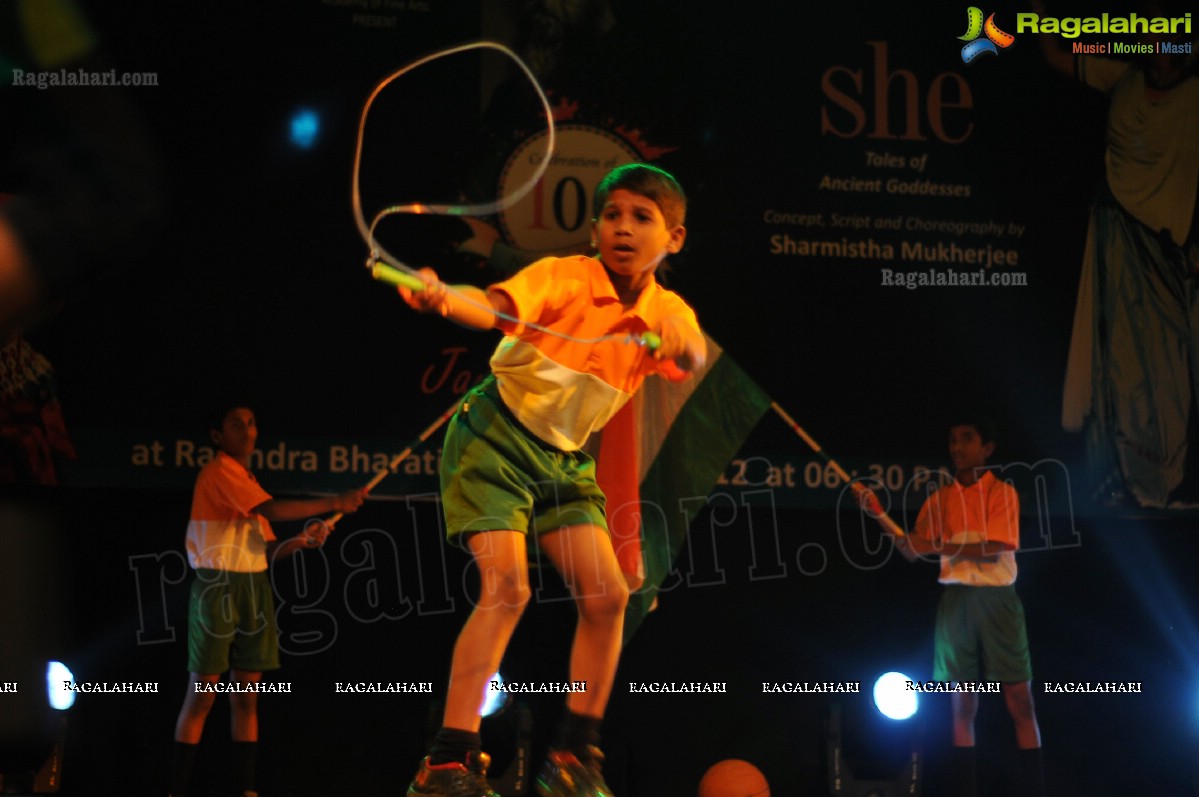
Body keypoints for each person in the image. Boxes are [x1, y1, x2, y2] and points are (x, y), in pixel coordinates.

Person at [398, 163, 705, 797]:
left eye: (641, 218)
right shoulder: (563, 277)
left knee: (608, 597)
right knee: (507, 589)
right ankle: (447, 762)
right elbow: (488, 308)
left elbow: (694, 354)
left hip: (563, 461)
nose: (623, 228)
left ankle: (573, 757)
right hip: (494, 441)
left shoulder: (666, 311)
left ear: (674, 238)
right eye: (612, 216)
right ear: (595, 229)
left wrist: (683, 341)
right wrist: (442, 295)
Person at [1042, 0, 1199, 508]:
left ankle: (1168, 477)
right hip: (1117, 233)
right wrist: (1036, 12)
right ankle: (1132, 481)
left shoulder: (1194, 94)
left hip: (1170, 248)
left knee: (1171, 366)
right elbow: (1063, 54)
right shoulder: (1123, 75)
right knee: (1123, 361)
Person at [169, 405, 365, 797]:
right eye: (235, 424)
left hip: (254, 587)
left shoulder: (247, 479)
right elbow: (271, 509)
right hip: (217, 587)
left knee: (246, 695)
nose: (247, 431)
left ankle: (246, 790)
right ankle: (176, 789)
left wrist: (304, 540)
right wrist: (335, 501)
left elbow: (270, 549)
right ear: (217, 435)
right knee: (203, 693)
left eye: (252, 423)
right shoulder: (219, 472)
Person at [866, 416, 1043, 797]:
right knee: (961, 708)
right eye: (952, 440)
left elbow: (996, 547)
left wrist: (937, 546)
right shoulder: (938, 500)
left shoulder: (1002, 494)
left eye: (967, 438)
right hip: (955, 602)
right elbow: (912, 549)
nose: (957, 447)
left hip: (998, 601)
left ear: (987, 448)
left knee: (1020, 702)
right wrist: (878, 514)